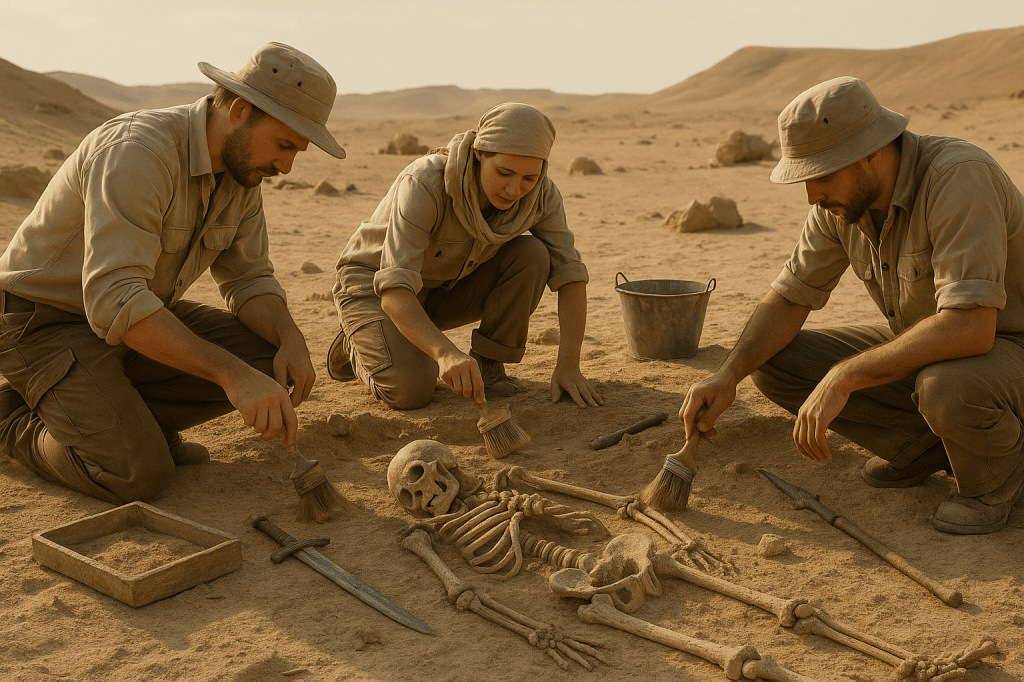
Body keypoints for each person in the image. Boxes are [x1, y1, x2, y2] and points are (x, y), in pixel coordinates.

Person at [0, 42, 345, 504]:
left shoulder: (242, 171)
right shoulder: (137, 151)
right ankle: (12, 420)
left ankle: (124, 419)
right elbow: (116, 298)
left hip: (127, 324)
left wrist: (291, 338)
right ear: (240, 111)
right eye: (284, 145)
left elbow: (249, 280)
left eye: (296, 152)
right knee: (137, 474)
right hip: (43, 323)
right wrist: (232, 375)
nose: (286, 166)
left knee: (267, 357)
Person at [680, 76, 1024, 535]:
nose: (812, 196)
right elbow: (791, 295)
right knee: (773, 361)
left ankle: (994, 484)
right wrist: (727, 375)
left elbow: (971, 328)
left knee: (945, 386)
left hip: (1007, 343)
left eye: (822, 175)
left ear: (872, 152)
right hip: (942, 343)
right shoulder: (839, 203)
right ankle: (923, 449)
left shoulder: (958, 177)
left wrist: (845, 376)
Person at [329, 102, 602, 410]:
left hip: (441, 287)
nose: (515, 190)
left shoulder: (542, 196)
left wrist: (569, 364)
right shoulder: (425, 182)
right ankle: (359, 341)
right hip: (374, 289)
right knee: (411, 390)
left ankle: (488, 366)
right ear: (479, 153)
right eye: (504, 172)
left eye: (529, 177)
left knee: (533, 254)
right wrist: (445, 353)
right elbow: (393, 291)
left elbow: (571, 275)